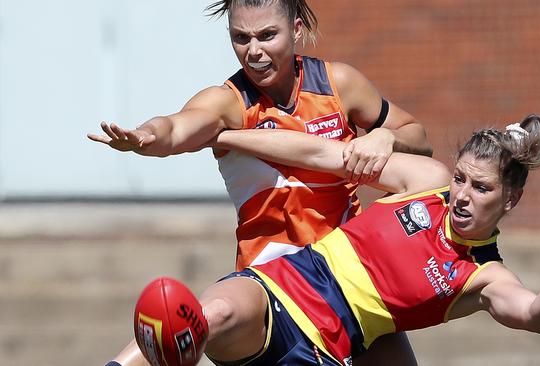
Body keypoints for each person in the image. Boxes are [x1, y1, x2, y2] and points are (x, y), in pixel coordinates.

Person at [108, 113, 540, 366]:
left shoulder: (484, 276)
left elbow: (536, 316)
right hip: (285, 283)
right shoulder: (426, 180)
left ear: (510, 200)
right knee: (206, 315)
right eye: (463, 180)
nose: (464, 196)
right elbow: (322, 156)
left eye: (483, 188)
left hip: (326, 345)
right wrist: (227, 135)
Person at [90, 1, 431, 364]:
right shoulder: (228, 104)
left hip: (350, 281)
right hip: (270, 285)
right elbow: (174, 128)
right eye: (241, 38)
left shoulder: (339, 84)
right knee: (212, 315)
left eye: (268, 35)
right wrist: (145, 135)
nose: (254, 52)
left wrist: (387, 138)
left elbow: (419, 137)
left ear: (297, 30)